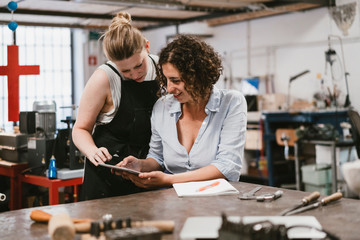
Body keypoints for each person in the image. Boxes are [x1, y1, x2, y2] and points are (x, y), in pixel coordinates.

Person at [115, 34, 247, 189]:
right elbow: (157, 157)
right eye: (166, 80)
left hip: (216, 202)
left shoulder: (232, 103)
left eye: (176, 81)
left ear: (199, 76)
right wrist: (140, 165)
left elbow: (227, 166)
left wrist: (170, 180)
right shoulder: (162, 107)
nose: (169, 89)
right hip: (171, 203)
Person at [72, 11, 159, 200]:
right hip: (107, 174)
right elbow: (79, 129)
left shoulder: (162, 69)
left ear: (147, 46)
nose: (135, 75)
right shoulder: (103, 78)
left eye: (139, 65)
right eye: (125, 71)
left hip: (147, 171)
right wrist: (92, 151)